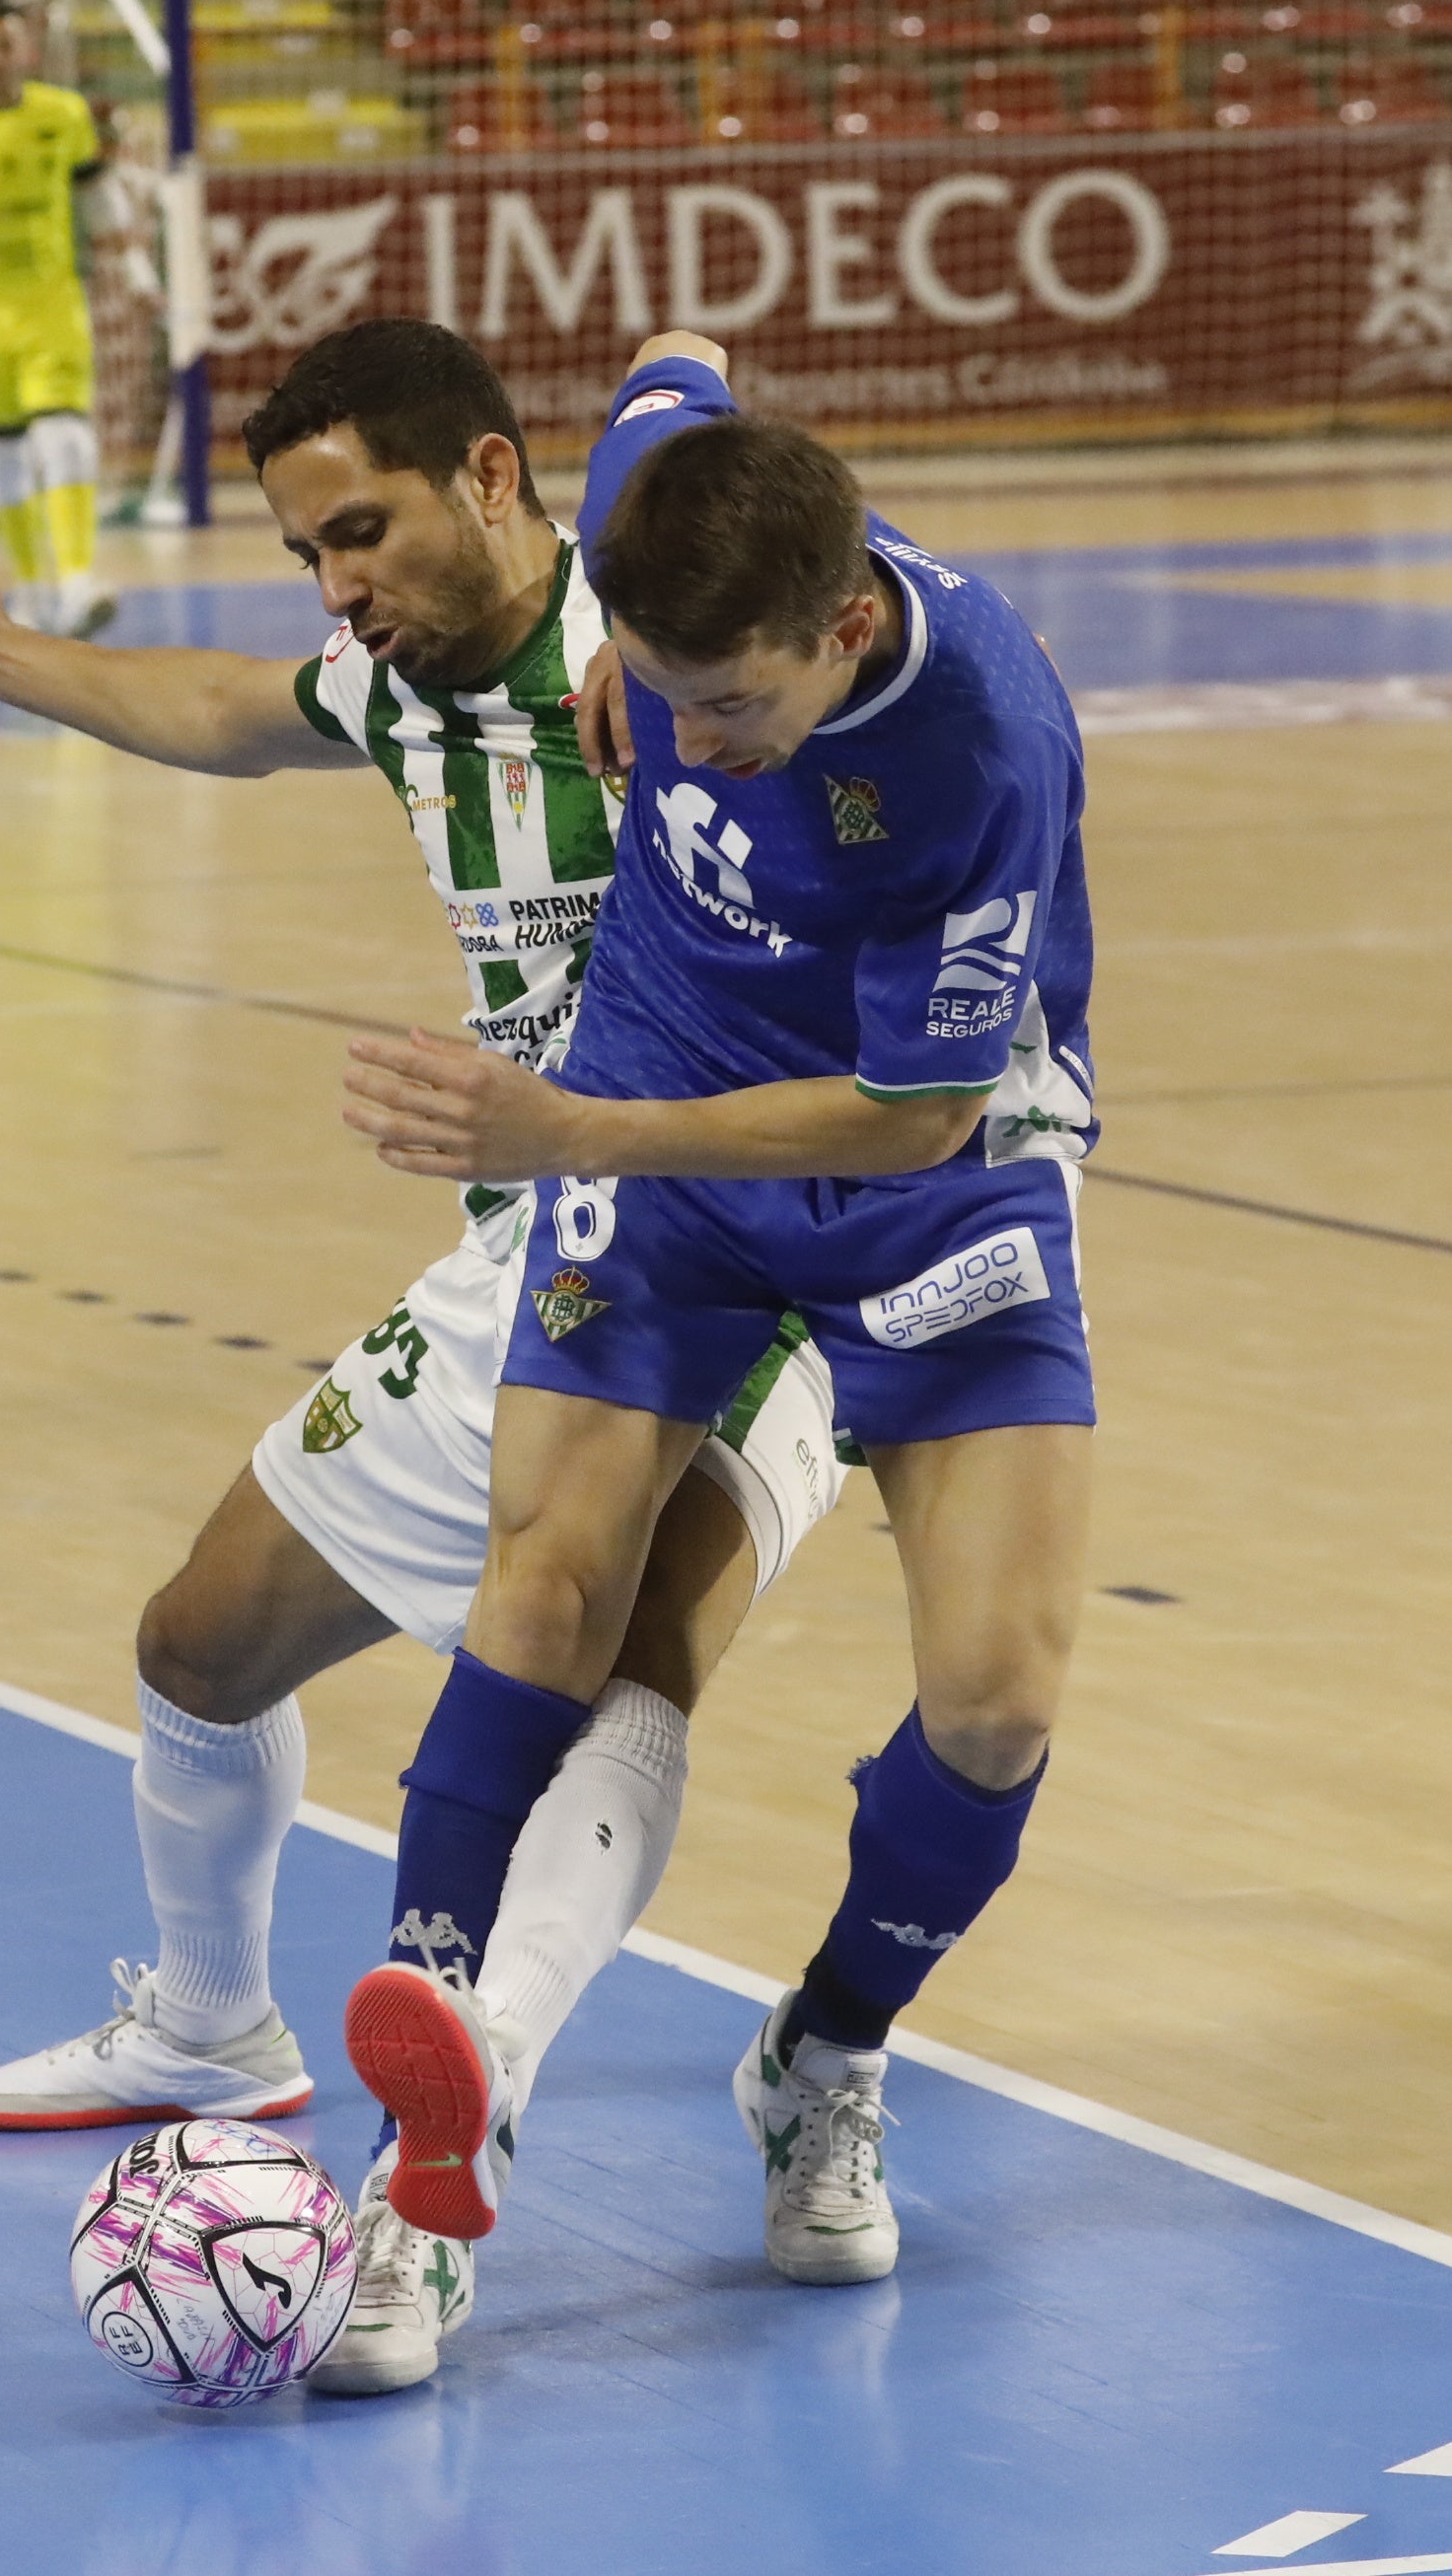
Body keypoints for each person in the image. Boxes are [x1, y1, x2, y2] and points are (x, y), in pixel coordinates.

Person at [0, 320, 849, 2393]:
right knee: (200, 1642)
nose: (338, 587)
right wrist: (4, 656)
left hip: (774, 1231)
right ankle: (212, 2023)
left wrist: (680, 385)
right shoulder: (393, 689)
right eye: (310, 548)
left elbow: (749, 477)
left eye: (364, 534)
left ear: (495, 476)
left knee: (607, 1652)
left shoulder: (660, 635)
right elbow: (228, 706)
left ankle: (443, 2158)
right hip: (535, 1237)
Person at [337, 327, 1096, 2297]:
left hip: (919, 1159)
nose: (691, 738)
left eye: (731, 703)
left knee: (999, 1699)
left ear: (845, 625)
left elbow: (911, 1101)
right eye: (658, 691)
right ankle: (429, 2137)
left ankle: (821, 2050)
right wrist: (635, 655)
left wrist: (572, 1119)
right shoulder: (666, 515)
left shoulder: (973, 748)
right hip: (670, 1060)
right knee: (547, 1586)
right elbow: (674, 362)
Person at [0, 0, 155, 639]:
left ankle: (77, 580)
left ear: (28, 50)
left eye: (5, 45)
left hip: (52, 305)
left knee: (65, 435)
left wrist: (136, 271)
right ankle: (33, 590)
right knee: (4, 456)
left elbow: (98, 197)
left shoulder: (63, 115)